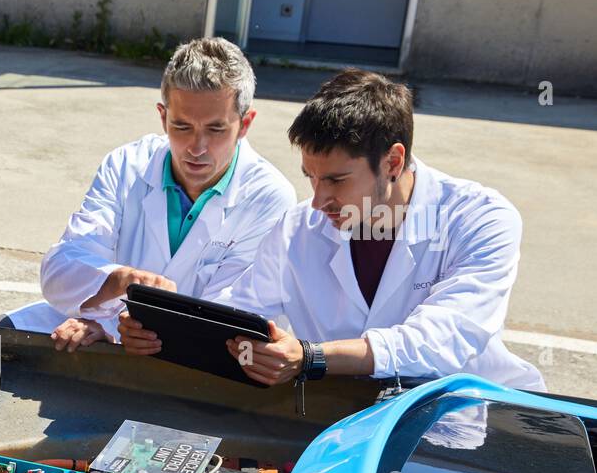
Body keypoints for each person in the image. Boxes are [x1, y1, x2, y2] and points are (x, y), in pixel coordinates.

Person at [120, 68, 544, 391]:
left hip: (469, 418)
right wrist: (159, 330)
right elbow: (240, 311)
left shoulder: (481, 219)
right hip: (350, 416)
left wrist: (311, 357)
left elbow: (441, 339)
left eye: (337, 181)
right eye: (311, 177)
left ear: (393, 162)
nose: (319, 200)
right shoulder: (298, 228)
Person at [2, 37, 295, 351]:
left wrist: (124, 327)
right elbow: (62, 267)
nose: (197, 148)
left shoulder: (269, 196)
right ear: (162, 116)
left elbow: (232, 318)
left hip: (201, 359)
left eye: (215, 129)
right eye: (181, 126)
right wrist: (120, 283)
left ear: (245, 123)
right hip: (107, 322)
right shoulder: (126, 164)